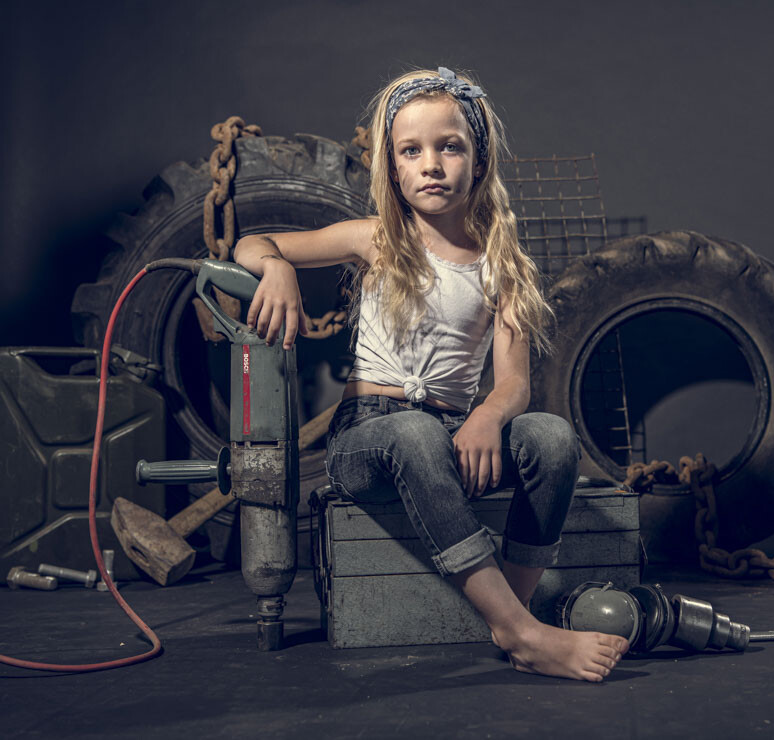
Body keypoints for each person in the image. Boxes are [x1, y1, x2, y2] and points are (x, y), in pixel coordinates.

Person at [233, 67, 629, 681]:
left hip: (450, 433)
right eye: (411, 151)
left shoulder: (501, 266)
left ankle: (517, 617)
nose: (432, 164)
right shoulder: (378, 241)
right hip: (370, 438)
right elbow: (253, 243)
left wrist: (489, 415)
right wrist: (278, 270)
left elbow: (514, 382)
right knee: (414, 433)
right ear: (392, 167)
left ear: (480, 159)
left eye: (450, 147)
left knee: (550, 436)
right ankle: (520, 630)